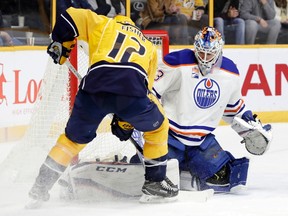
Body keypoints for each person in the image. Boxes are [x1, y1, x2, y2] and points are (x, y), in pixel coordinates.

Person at [27, 7, 178, 207]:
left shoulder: (104, 23)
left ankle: (40, 186)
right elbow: (145, 91)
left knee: (71, 141)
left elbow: (69, 15)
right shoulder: (148, 45)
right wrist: (125, 121)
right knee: (158, 127)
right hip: (131, 91)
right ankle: (155, 183)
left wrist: (60, 43)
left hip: (94, 86)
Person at [150, 26, 272, 193]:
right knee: (150, 173)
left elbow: (233, 109)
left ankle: (182, 173)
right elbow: (151, 91)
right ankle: (177, 171)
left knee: (226, 178)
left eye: (210, 54)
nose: (205, 59)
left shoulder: (230, 73)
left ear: (219, 50)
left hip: (201, 142)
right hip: (169, 137)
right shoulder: (177, 62)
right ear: (195, 48)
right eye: (201, 53)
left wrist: (248, 121)